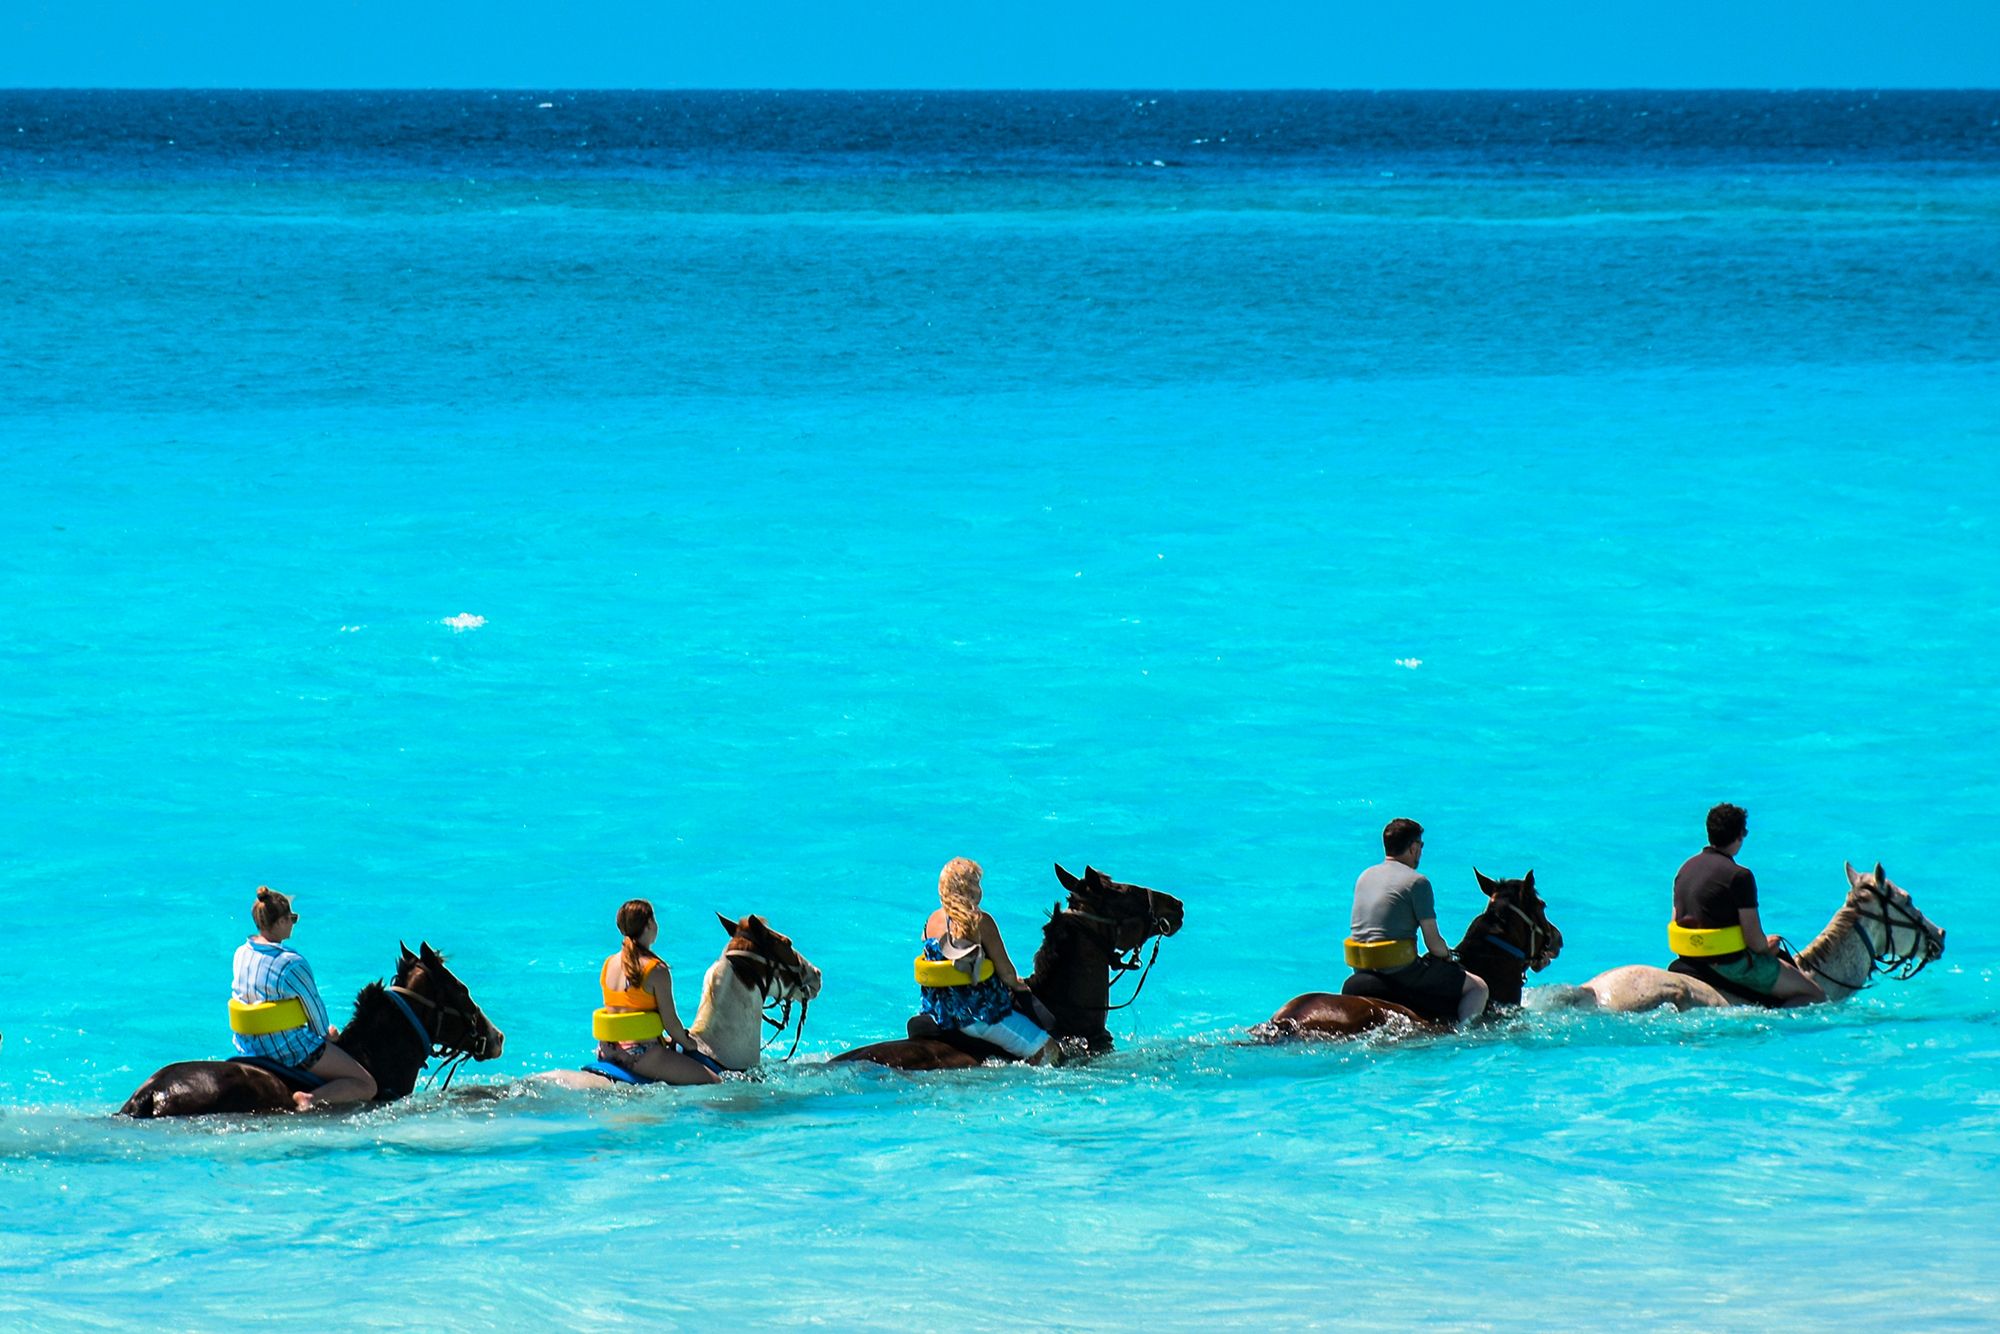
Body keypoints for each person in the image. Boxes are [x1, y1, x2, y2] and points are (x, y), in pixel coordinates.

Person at [231, 886, 377, 1111]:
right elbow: (315, 1011)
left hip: (248, 1047)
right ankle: (309, 1098)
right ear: (279, 922)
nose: (293, 923)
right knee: (367, 1085)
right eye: (292, 918)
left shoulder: (241, 952)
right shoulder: (291, 963)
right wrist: (327, 1035)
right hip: (286, 1050)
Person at [1671, 804, 1825, 1007]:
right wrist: (1768, 944)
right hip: (1730, 965)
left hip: (1689, 959)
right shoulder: (1739, 876)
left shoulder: (1686, 868)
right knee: (1815, 995)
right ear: (1739, 835)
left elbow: (1677, 920)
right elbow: (1753, 940)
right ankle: (1773, 1027)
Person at [1342, 818, 1489, 1024]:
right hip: (1399, 972)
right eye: (1420, 845)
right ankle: (1464, 1036)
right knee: (1478, 987)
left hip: (1361, 967)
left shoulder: (1364, 876)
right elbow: (1433, 942)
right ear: (1413, 848)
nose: (1421, 850)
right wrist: (1447, 955)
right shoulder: (1417, 882)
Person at [916, 857, 1054, 1063]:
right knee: (1049, 1048)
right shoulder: (980, 921)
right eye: (977, 884)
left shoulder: (931, 921)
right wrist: (1020, 986)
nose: (980, 889)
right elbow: (1007, 973)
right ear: (969, 889)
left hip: (939, 1013)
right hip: (978, 1017)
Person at [594, 899, 720, 1085]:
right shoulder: (656, 969)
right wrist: (689, 1044)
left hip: (608, 1049)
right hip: (641, 1055)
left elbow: (625, 1011)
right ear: (650, 924)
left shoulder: (608, 963)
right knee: (713, 1081)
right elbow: (670, 1022)